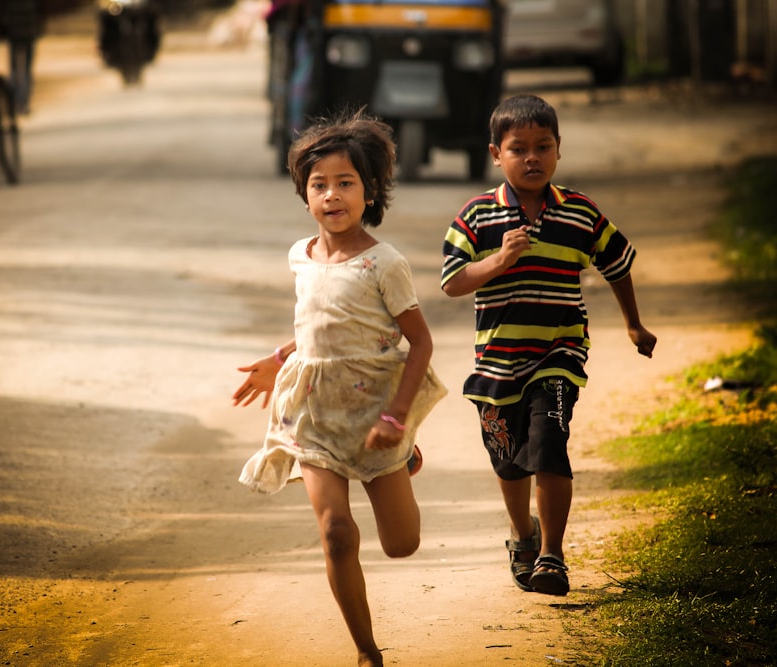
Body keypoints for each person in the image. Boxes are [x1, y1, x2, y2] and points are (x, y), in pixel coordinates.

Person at [233, 111, 446, 666]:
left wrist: (397, 418)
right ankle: (367, 652)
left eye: (345, 182)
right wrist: (279, 357)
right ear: (304, 194)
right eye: (319, 184)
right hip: (315, 413)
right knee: (336, 534)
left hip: (377, 410)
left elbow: (419, 344)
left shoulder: (385, 263)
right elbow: (317, 327)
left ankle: (406, 457)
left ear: (369, 190)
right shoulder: (299, 257)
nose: (332, 195)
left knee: (402, 545)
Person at [439, 94, 657, 596]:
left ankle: (552, 555)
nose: (532, 157)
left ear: (559, 150)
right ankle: (523, 535)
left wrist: (633, 324)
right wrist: (498, 261)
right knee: (509, 461)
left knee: (549, 441)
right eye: (519, 149)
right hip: (497, 361)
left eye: (544, 146)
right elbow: (451, 281)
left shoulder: (579, 213)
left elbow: (617, 265)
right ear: (497, 154)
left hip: (559, 353)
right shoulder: (476, 217)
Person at [0, 0, 43, 114]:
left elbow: (2, 9)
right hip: (28, 32)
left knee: (14, 69)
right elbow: (40, 8)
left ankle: (15, 102)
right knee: (26, 69)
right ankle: (23, 102)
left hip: (14, 33)